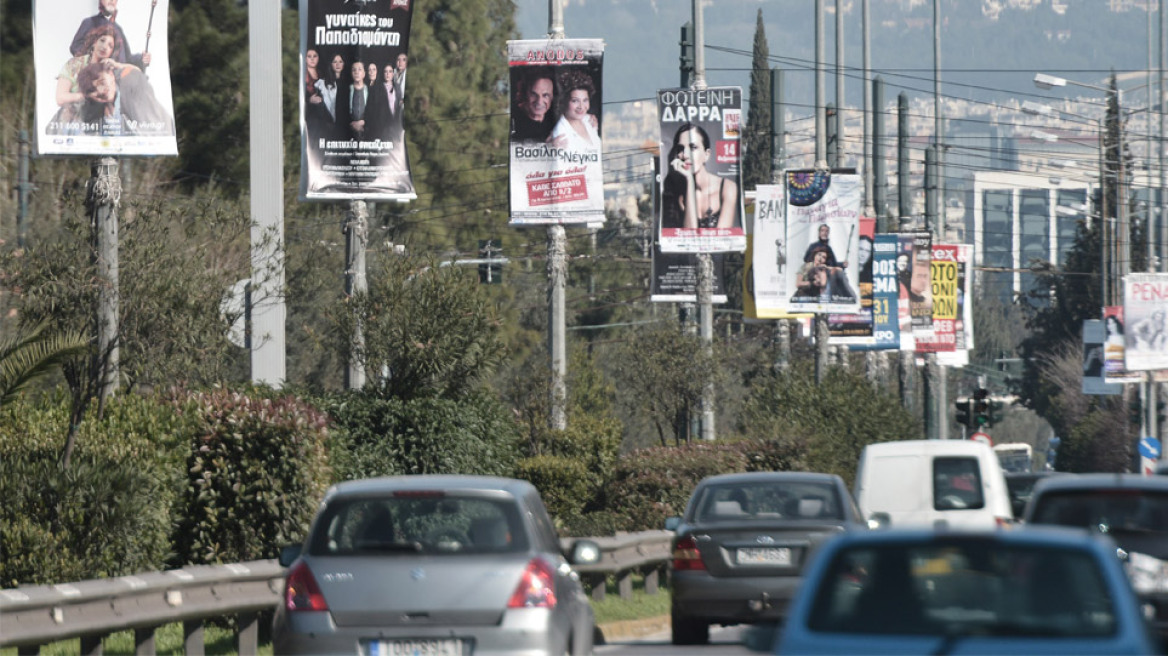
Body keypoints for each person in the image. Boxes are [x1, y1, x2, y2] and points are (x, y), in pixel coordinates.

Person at [50, 24, 139, 135]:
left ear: (111, 52)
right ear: (94, 42)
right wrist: (88, 96)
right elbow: (60, 98)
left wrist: (118, 65)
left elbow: (137, 74)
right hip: (74, 123)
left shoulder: (110, 69)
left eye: (110, 46)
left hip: (104, 126)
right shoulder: (74, 65)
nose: (105, 47)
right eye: (102, 41)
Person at [662, 123, 739, 230]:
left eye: (693, 147)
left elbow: (723, 236)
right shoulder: (679, 195)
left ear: (706, 154)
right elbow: (689, 233)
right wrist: (689, 180)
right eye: (680, 149)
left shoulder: (728, 187)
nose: (685, 155)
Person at [76, 60, 173, 136]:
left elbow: (136, 75)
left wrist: (120, 66)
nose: (101, 91)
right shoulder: (100, 114)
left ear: (111, 74)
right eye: (93, 91)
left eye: (102, 82)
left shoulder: (130, 85)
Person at [69, 0, 151, 69]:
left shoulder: (118, 29)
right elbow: (75, 47)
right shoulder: (89, 22)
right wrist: (97, 60)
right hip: (95, 78)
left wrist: (142, 59)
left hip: (117, 80)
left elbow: (127, 59)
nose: (112, 0)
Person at [549, 69, 599, 150]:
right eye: (575, 101)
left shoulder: (589, 120)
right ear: (564, 101)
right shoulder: (561, 134)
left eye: (585, 100)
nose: (581, 106)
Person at [511, 67, 556, 143]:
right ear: (525, 94)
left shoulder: (555, 118)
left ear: (552, 97)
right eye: (534, 94)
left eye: (545, 95)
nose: (539, 101)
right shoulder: (513, 121)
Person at [315, 53, 347, 140]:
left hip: (344, 127)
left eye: (340, 62)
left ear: (344, 64)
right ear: (331, 64)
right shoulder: (322, 84)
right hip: (328, 126)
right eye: (335, 62)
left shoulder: (348, 83)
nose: (338, 64)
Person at [347, 59, 369, 139]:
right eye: (354, 70)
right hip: (348, 130)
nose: (356, 72)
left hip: (367, 131)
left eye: (359, 69)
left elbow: (374, 112)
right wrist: (352, 124)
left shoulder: (370, 90)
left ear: (364, 73)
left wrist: (363, 122)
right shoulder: (346, 90)